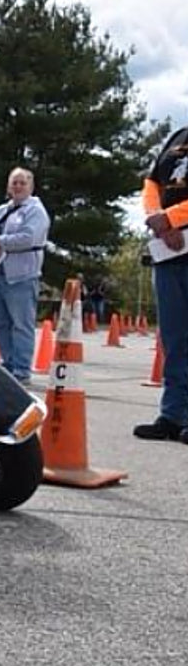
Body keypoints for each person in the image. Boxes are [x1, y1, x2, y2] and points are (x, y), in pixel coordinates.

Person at [133, 132, 188, 441]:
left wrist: (170, 218)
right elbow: (152, 182)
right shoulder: (178, 137)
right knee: (174, 338)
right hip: (169, 251)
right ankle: (173, 414)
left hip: (175, 231)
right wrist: (157, 217)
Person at [0, 167, 51, 385]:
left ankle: (21, 369)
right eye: (14, 182)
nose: (18, 186)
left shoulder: (35, 211)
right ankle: (8, 363)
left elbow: (29, 237)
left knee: (21, 324)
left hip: (21, 275)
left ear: (31, 186)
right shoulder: (1, 210)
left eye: (23, 182)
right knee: (1, 323)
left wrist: (1, 242)